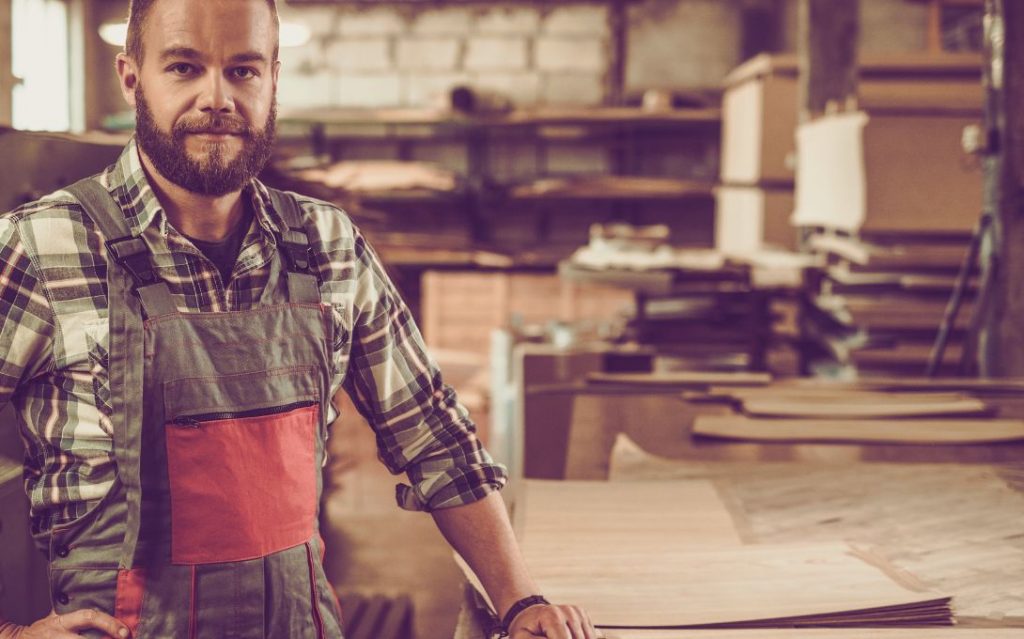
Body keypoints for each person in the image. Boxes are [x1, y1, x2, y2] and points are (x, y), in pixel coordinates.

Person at [0, 1, 597, 637]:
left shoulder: (326, 243)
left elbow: (432, 432)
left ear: (274, 80)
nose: (217, 97)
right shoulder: (42, 248)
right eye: (183, 67)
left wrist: (520, 600)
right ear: (132, 78)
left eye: (243, 70)